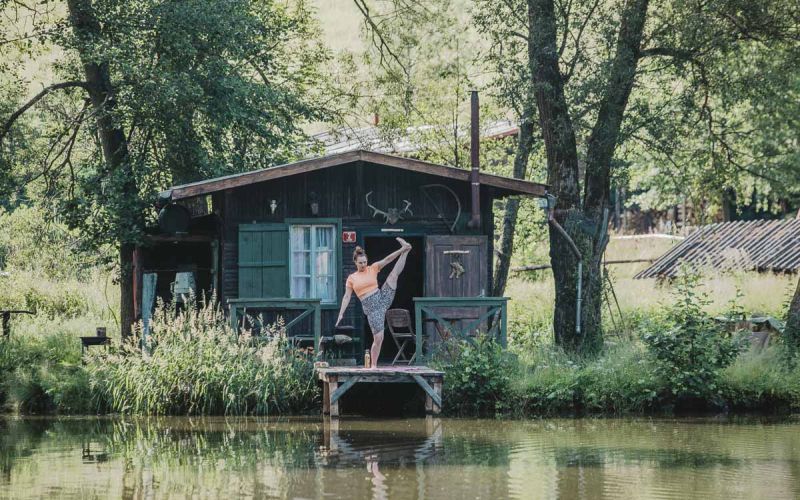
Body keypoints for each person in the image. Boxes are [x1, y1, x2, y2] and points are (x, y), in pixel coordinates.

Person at [336, 237, 411, 368]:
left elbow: (388, 259)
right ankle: (373, 365)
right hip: (372, 310)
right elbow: (346, 297)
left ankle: (406, 250)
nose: (363, 265)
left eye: (365, 262)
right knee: (378, 338)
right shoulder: (352, 278)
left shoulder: (373, 268)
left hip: (382, 298)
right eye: (360, 263)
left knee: (393, 275)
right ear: (355, 262)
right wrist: (341, 313)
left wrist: (401, 250)